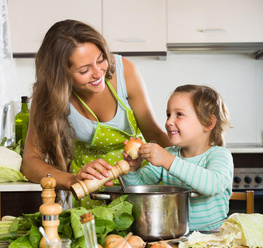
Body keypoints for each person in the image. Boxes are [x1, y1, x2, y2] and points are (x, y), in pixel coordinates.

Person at [21, 19, 170, 206]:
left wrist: (186, 168)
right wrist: (71, 180)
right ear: (61, 75)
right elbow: (30, 162)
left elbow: (155, 134)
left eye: (100, 59)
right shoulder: (48, 97)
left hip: (140, 186)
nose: (99, 73)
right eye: (84, 70)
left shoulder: (125, 72)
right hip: (91, 194)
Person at [122, 84, 233, 230]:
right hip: (174, 237)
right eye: (168, 114)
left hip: (213, 241)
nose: (168, 122)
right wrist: (133, 169)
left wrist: (168, 161)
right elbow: (136, 191)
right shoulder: (169, 155)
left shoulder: (219, 155)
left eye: (179, 114)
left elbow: (211, 185)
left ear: (208, 123)